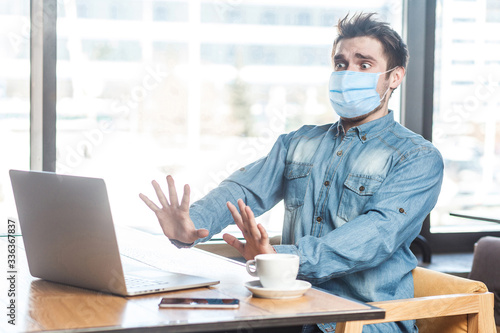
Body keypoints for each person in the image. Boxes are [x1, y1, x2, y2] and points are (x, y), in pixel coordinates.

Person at [140, 13, 443, 333]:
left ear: (394, 77)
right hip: (291, 308)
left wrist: (280, 258)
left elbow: (376, 235)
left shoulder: (417, 157)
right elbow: (243, 190)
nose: (348, 73)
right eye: (341, 64)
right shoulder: (298, 142)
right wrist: (193, 223)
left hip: (362, 320)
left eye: (364, 65)